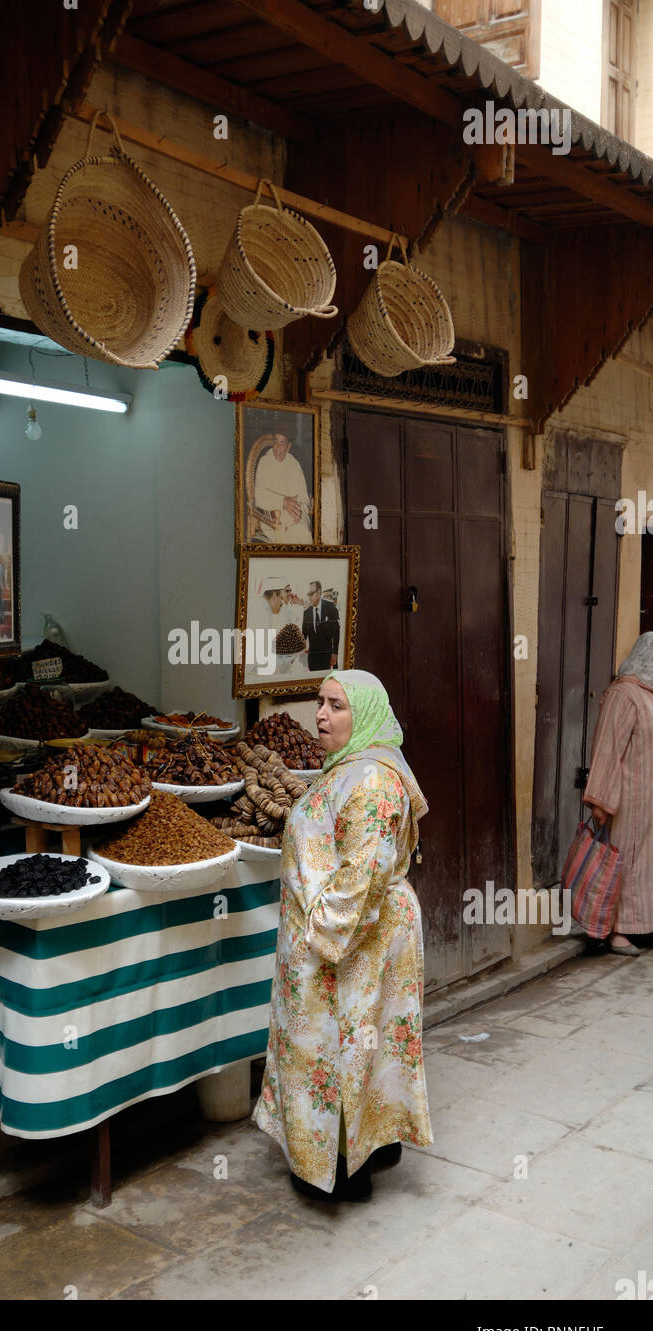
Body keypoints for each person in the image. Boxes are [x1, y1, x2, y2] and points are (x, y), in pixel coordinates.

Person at [253, 670, 432, 1201]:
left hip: (351, 937)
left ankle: (337, 1171)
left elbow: (365, 870)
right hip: (360, 932)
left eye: (336, 705)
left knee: (335, 1045)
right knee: (363, 1042)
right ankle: (371, 1145)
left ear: (367, 716)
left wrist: (320, 941)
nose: (322, 715)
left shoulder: (371, 780)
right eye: (320, 702)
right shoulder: (352, 767)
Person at [581, 632, 653, 956]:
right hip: (628, 799)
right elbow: (608, 749)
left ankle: (640, 926)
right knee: (623, 863)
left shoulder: (648, 695)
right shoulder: (623, 694)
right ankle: (615, 931)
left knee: (645, 865)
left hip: (648, 799)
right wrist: (601, 800)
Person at [253, 432, 313, 543]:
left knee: (304, 532)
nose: (277, 447)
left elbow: (304, 498)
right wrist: (284, 502)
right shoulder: (265, 462)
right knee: (298, 535)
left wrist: (298, 511)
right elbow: (258, 496)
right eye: (275, 441)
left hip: (296, 517)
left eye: (282, 443)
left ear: (288, 446)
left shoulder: (294, 464)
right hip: (274, 519)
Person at [302, 580, 340, 671]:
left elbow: (336, 632)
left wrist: (335, 653)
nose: (309, 597)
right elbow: (303, 636)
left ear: (319, 592)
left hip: (327, 656)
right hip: (312, 658)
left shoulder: (330, 607)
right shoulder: (306, 613)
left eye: (311, 594)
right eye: (308, 594)